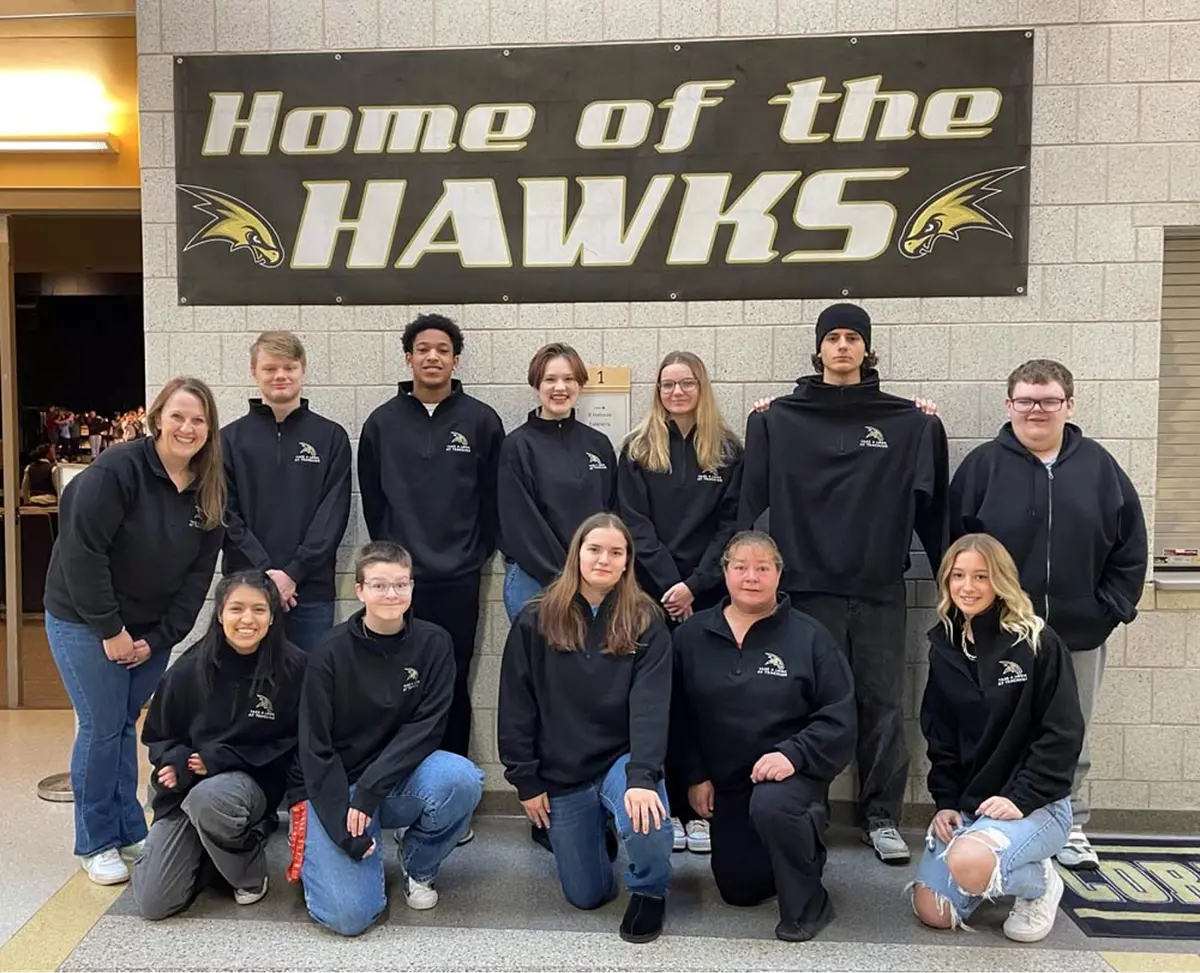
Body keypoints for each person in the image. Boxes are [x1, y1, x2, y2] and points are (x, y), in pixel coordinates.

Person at [740, 303, 948, 865]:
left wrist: (955, 583)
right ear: (819, 348)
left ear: (866, 349)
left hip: (879, 586)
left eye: (853, 337)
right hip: (806, 590)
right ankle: (810, 808)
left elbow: (934, 514)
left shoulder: (909, 423)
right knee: (809, 704)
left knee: (882, 702)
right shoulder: (777, 419)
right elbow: (745, 506)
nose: (842, 346)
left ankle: (881, 815)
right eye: (832, 337)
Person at [948, 359, 1146, 872]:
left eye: (1049, 400)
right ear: (1009, 404)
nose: (1037, 410)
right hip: (1002, 635)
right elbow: (954, 542)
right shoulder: (983, 466)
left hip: (1078, 632)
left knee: (1069, 730)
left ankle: (1070, 822)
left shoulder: (1100, 467)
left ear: (1069, 405)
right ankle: (993, 822)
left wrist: (1111, 608)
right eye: (1026, 400)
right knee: (996, 729)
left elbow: (1131, 543)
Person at [42, 376, 225, 885]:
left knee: (124, 724)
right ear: (158, 418)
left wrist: (162, 636)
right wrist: (111, 629)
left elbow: (197, 578)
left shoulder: (208, 485)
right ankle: (95, 840)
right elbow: (83, 554)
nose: (187, 427)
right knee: (101, 726)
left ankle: (127, 828)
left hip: (149, 632)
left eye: (199, 419)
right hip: (85, 620)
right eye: (179, 416)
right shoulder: (117, 471)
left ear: (210, 429)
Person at [289, 541, 483, 937]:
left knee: (462, 778)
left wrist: (371, 792)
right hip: (336, 784)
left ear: (412, 588)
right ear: (359, 590)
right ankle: (330, 851)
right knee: (350, 918)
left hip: (392, 781)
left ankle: (418, 865)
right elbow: (315, 747)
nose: (391, 594)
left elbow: (426, 728)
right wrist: (343, 827)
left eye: (400, 584)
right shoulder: (328, 652)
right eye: (379, 585)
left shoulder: (434, 643)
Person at [498, 513, 674, 944]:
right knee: (586, 895)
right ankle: (600, 835)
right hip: (563, 769)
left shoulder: (646, 618)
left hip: (621, 759)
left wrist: (643, 776)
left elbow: (650, 707)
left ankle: (649, 890)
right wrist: (526, 780)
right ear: (577, 553)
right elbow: (516, 705)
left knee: (647, 814)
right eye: (594, 549)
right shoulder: (536, 617)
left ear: (627, 561)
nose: (604, 559)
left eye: (616, 552)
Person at [672, 531, 855, 942]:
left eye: (762, 568)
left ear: (779, 574)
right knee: (739, 890)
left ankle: (809, 903)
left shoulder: (810, 637)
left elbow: (839, 717)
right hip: (728, 784)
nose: (751, 576)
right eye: (740, 567)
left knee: (773, 806)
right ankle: (787, 851)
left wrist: (794, 754)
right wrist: (696, 776)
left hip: (791, 777)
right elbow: (679, 718)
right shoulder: (690, 637)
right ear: (725, 572)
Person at [911, 533, 1084, 942]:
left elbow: (1062, 732)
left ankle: (1039, 883)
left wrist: (1020, 797)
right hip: (975, 807)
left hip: (1037, 804)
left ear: (1001, 581)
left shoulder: (1035, 641)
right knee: (933, 910)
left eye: (981, 577)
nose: (967, 587)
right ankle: (995, 868)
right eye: (958, 576)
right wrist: (947, 803)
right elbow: (942, 736)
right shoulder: (945, 646)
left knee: (969, 860)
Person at [358, 312, 504, 763]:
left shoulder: (481, 421)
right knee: (395, 680)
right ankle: (397, 783)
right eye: (423, 349)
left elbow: (494, 500)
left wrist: (473, 555)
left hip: (458, 577)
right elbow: (373, 497)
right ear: (409, 358)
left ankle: (451, 790)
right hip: (399, 583)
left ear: (455, 360)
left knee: (451, 679)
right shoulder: (381, 423)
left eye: (443, 350)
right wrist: (391, 565)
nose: (433, 357)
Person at [618, 350, 743, 856]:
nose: (676, 392)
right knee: (657, 699)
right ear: (658, 391)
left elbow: (732, 526)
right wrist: (672, 586)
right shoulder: (636, 449)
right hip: (651, 595)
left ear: (701, 387)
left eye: (686, 383)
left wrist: (695, 585)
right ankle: (664, 806)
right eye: (668, 384)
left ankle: (700, 809)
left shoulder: (730, 451)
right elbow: (634, 524)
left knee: (705, 698)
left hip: (709, 596)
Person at [133, 571, 306, 918]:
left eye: (258, 609)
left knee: (211, 799)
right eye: (236, 609)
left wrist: (220, 759)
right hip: (188, 789)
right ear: (219, 614)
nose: (246, 619)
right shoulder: (188, 669)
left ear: (273, 616)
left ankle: (248, 871)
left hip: (248, 785)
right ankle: (209, 852)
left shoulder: (294, 668)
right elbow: (159, 736)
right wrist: (176, 759)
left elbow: (294, 744)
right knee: (155, 903)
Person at [221, 331, 352, 652]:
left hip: (310, 592)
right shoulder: (228, 440)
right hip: (245, 591)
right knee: (245, 688)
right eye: (270, 368)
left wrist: (294, 573)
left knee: (308, 687)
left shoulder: (331, 437)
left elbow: (332, 515)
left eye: (289, 367)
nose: (280, 376)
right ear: (254, 373)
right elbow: (225, 513)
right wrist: (266, 574)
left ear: (302, 370)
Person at [498, 342, 617, 622]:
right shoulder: (518, 446)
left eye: (568, 379)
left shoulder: (598, 444)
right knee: (541, 664)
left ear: (580, 385)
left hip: (592, 579)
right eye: (550, 379)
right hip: (536, 580)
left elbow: (611, 512)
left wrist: (593, 569)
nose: (559, 387)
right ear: (536, 385)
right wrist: (566, 577)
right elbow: (520, 524)